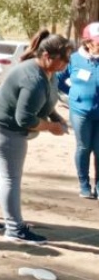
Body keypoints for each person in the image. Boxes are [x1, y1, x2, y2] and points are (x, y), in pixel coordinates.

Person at [0, 31, 71, 245]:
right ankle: (14, 229)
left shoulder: (48, 72)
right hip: (2, 125)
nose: (67, 62)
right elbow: (24, 118)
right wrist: (51, 127)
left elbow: (47, 101)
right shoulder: (32, 78)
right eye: (64, 58)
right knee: (10, 177)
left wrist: (56, 115)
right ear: (46, 56)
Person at [57, 22, 99, 199]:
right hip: (80, 112)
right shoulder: (74, 59)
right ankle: (84, 185)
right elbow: (58, 80)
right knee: (84, 147)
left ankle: (98, 186)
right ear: (88, 42)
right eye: (97, 41)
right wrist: (73, 95)